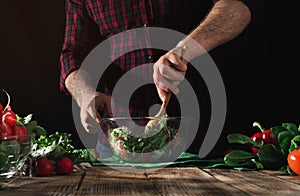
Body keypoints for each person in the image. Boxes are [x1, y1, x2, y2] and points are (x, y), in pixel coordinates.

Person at [60, 0, 265, 158]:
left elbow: (238, 7)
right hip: (120, 147)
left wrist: (183, 51)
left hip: (205, 139)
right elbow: (73, 54)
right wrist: (84, 93)